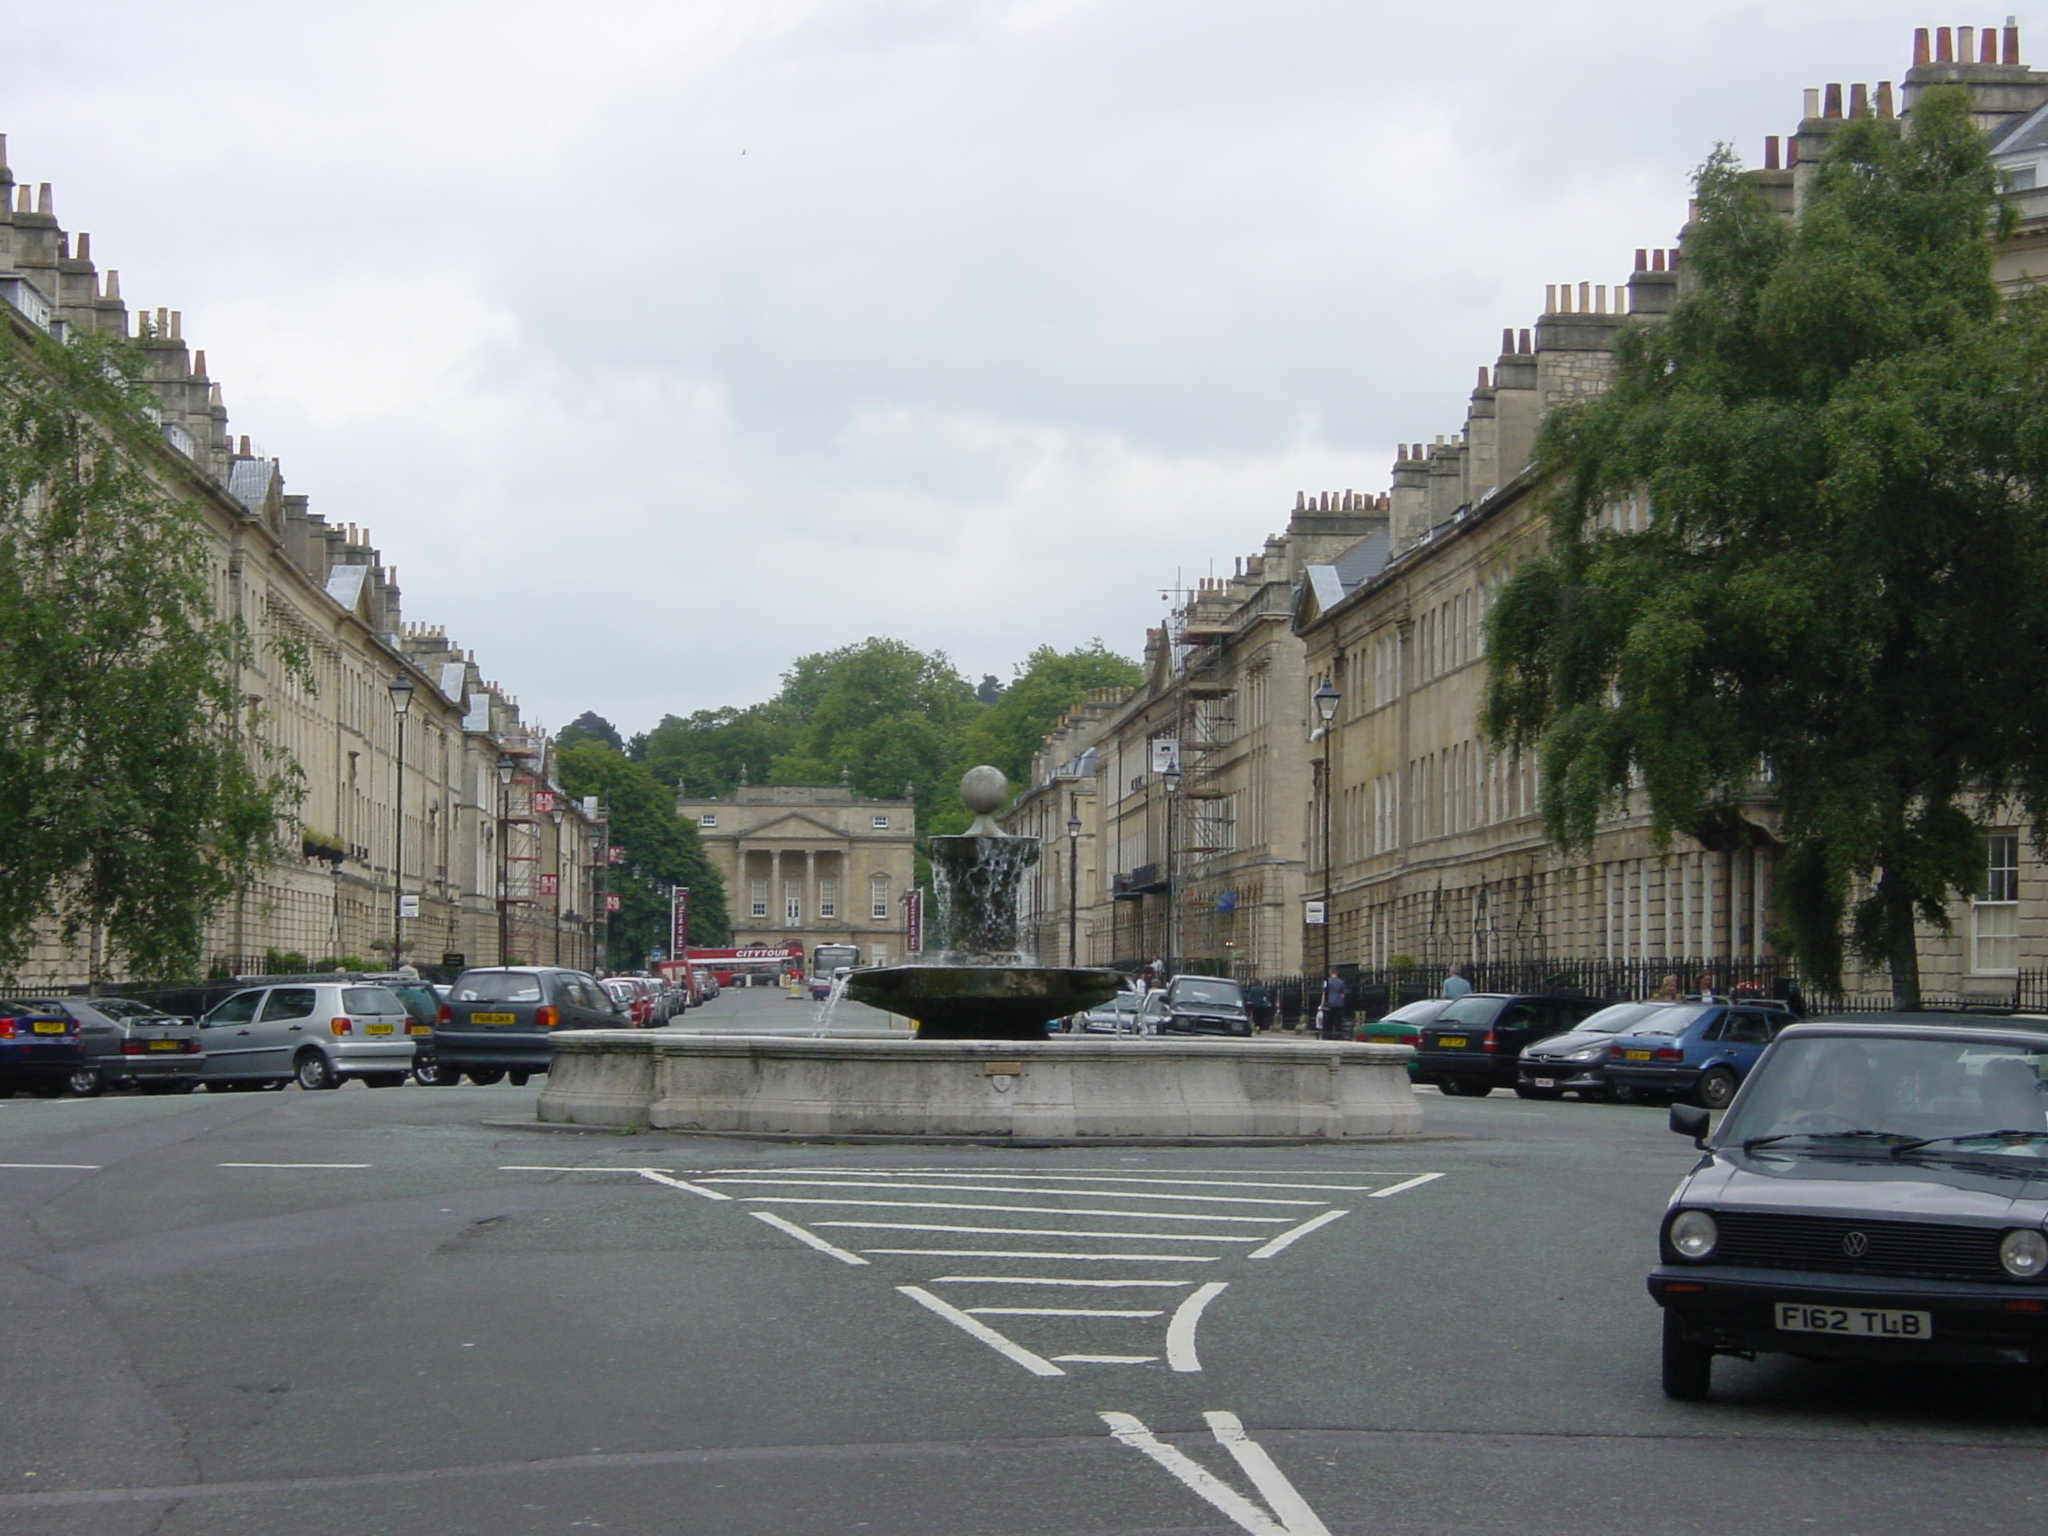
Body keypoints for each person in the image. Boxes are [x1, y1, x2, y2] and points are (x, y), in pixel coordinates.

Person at [1319, 969, 1349, 1039]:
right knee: (1337, 1022)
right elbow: (1342, 995)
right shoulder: (1341, 982)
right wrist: (1341, 1002)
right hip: (1338, 1004)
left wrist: (1321, 1004)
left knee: (1327, 1022)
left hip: (1328, 1004)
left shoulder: (1326, 982)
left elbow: (1324, 993)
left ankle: (1327, 1036)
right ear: (1337, 972)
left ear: (1330, 972)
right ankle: (1338, 1036)